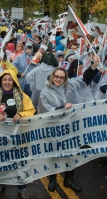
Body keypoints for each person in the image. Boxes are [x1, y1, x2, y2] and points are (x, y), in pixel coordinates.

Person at [38, 56, 100, 192]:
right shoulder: (45, 92)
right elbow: (45, 110)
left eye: (62, 77)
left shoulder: (70, 85)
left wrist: (94, 65)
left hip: (71, 127)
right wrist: (62, 109)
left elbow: (85, 80)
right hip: (54, 129)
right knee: (54, 154)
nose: (59, 79)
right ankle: (53, 179)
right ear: (52, 76)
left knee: (71, 153)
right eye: (57, 77)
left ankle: (69, 179)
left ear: (65, 78)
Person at [0, 70, 35, 199]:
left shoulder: (22, 96)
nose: (7, 82)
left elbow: (31, 110)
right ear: (0, 81)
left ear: (14, 81)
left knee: (19, 161)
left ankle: (22, 186)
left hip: (18, 135)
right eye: (4, 80)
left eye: (10, 79)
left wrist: (21, 114)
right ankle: (1, 183)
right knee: (1, 160)